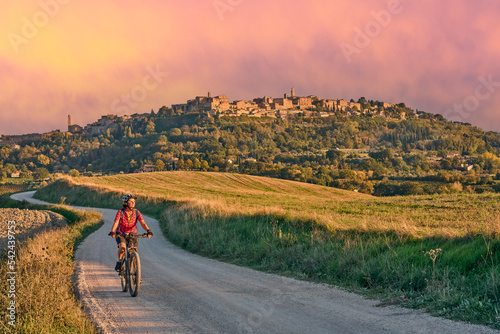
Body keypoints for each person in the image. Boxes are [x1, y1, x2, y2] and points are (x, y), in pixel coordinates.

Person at [108, 194, 153, 271]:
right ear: (126, 202)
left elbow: (142, 223)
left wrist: (148, 231)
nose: (133, 203)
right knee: (122, 248)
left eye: (134, 201)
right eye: (130, 201)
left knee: (134, 254)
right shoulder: (120, 212)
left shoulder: (137, 212)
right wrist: (112, 231)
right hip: (121, 233)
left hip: (133, 234)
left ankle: (136, 276)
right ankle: (119, 262)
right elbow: (116, 222)